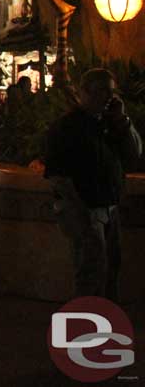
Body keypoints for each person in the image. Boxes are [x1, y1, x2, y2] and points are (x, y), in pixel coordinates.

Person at [45, 68, 142, 300]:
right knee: (91, 271)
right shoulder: (67, 127)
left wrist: (122, 120)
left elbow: (135, 153)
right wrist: (80, 212)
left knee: (111, 268)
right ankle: (86, 324)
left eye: (111, 92)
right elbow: (58, 175)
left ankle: (105, 322)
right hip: (85, 209)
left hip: (109, 207)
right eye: (102, 91)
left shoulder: (110, 124)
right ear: (84, 93)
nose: (108, 98)